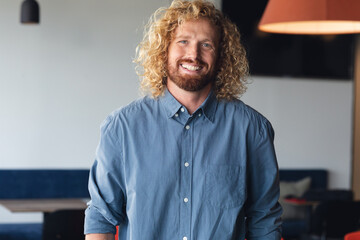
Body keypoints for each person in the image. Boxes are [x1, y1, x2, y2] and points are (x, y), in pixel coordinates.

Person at [84, 0, 282, 239]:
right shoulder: (122, 127)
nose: (194, 55)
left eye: (206, 45)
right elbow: (101, 217)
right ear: (164, 48)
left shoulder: (252, 129)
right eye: (183, 41)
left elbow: (265, 222)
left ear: (221, 56)